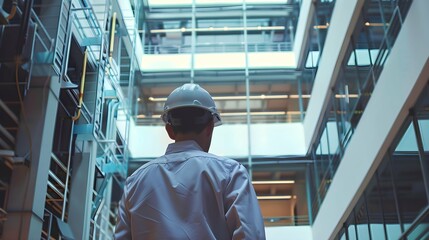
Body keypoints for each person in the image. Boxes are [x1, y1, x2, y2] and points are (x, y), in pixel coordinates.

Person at [115, 83, 266, 239]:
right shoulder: (231, 174)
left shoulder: (134, 183)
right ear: (210, 128)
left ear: (169, 130)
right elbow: (251, 236)